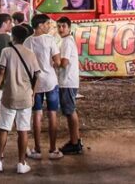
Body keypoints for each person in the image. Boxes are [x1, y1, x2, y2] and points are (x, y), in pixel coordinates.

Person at [0, 24, 38, 174]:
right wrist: (33, 93)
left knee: (3, 128)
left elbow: (0, 73)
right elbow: (37, 75)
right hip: (25, 96)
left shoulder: (6, 51)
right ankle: (21, 163)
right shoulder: (30, 54)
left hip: (8, 96)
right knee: (23, 130)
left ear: (13, 36)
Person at [24, 14, 62, 160]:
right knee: (52, 113)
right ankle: (53, 149)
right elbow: (57, 61)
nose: (49, 26)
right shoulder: (50, 40)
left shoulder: (28, 42)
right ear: (40, 25)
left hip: (35, 82)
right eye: (47, 24)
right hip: (51, 81)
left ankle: (38, 149)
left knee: (37, 115)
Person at [55, 17, 83, 154]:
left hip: (66, 82)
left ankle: (74, 143)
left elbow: (64, 63)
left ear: (69, 27)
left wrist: (52, 61)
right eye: (58, 26)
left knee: (70, 111)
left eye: (63, 26)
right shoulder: (67, 40)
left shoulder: (66, 42)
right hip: (68, 81)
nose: (61, 29)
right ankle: (76, 140)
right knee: (70, 111)